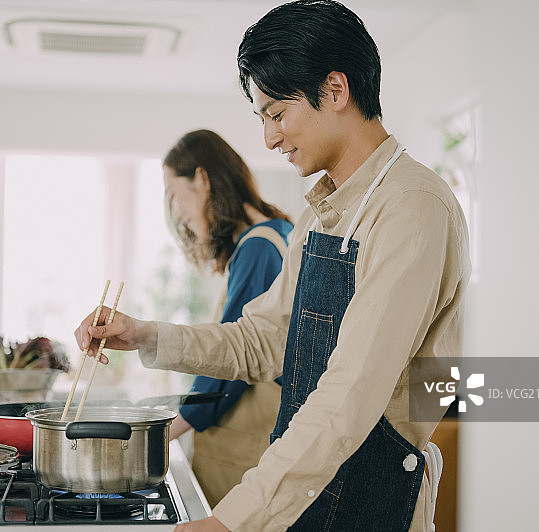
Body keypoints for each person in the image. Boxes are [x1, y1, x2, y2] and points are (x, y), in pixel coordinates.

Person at [76, 1, 470, 530]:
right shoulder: (321, 214)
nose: (269, 138)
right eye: (262, 117)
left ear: (335, 90)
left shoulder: (412, 208)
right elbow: (262, 341)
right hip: (308, 498)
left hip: (371, 503)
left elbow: (350, 394)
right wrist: (145, 335)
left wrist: (231, 520)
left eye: (277, 114)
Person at [161, 129, 293, 507]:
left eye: (175, 194)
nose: (179, 212)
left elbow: (232, 361)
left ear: (202, 180)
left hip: (244, 449)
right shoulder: (278, 231)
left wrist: (165, 430)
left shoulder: (257, 248)